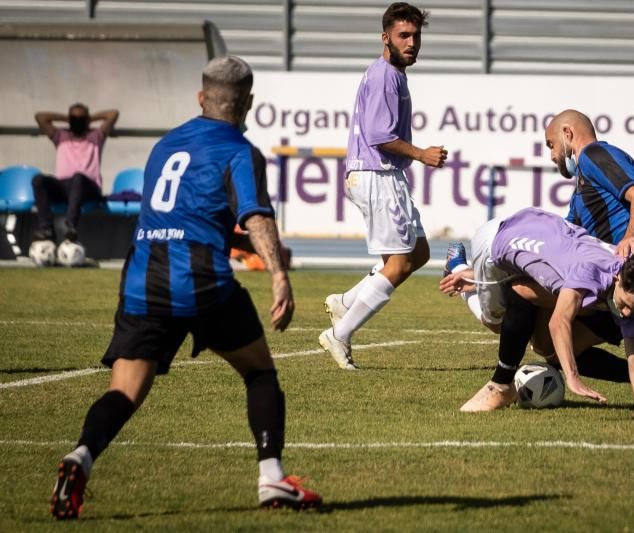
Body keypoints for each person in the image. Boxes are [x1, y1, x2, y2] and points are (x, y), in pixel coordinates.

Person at [49, 56, 321, 521]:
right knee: (259, 372)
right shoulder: (240, 150)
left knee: (126, 391)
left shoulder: (165, 145)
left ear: (200, 98)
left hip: (142, 276)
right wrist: (278, 274)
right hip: (199, 277)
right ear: (249, 103)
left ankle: (80, 458)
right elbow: (254, 215)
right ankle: (272, 476)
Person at [440, 207, 634, 419]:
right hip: (494, 244)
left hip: (532, 227)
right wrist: (572, 377)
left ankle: (474, 279)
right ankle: (457, 267)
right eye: (624, 304)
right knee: (497, 322)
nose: (625, 313)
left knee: (544, 319)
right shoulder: (588, 273)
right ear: (617, 277)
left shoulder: (629, 281)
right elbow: (559, 322)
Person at [319, 2, 447, 370]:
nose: (411, 42)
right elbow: (379, 136)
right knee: (400, 261)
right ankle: (339, 334)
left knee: (418, 252)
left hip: (384, 175)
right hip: (376, 174)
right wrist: (422, 154)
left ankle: (345, 302)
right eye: (403, 35)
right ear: (385, 37)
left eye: (416, 36)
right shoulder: (384, 76)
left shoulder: (393, 74)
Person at [544, 108, 634, 315]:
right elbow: (566, 235)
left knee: (528, 303)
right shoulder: (582, 187)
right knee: (546, 341)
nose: (552, 155)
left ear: (567, 133)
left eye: (551, 145)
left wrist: (632, 234)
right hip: (622, 279)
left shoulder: (594, 155)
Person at [32, 103, 119, 242]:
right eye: (74, 119)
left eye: (81, 119)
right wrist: (67, 118)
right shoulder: (61, 136)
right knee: (38, 180)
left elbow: (113, 114)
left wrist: (89, 119)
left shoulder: (96, 136)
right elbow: (40, 117)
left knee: (78, 178)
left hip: (88, 187)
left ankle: (70, 227)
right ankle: (46, 228)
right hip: (64, 186)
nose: (77, 122)